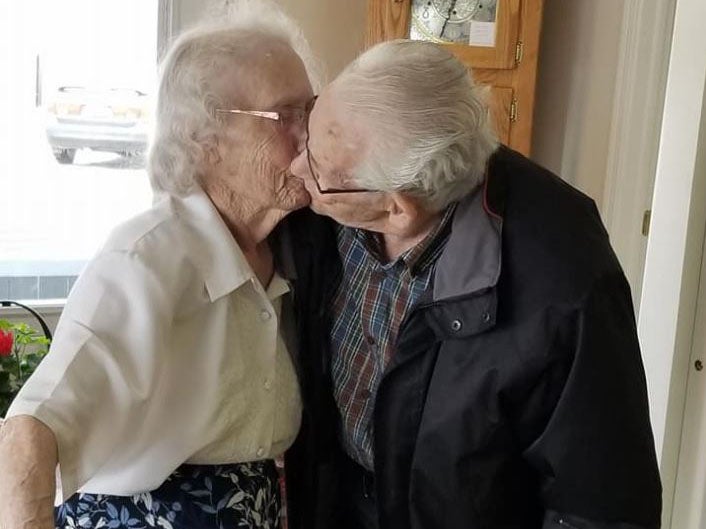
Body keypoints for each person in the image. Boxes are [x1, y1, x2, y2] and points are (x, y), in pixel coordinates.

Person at [285, 39, 662, 529]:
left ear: (397, 208)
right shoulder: (329, 209)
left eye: (316, 168)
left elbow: (600, 504)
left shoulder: (566, 283)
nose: (297, 168)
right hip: (341, 500)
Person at [0, 3, 317, 528]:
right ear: (204, 141)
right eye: (286, 116)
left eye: (313, 110)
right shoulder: (146, 261)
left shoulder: (290, 245)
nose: (310, 134)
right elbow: (27, 438)